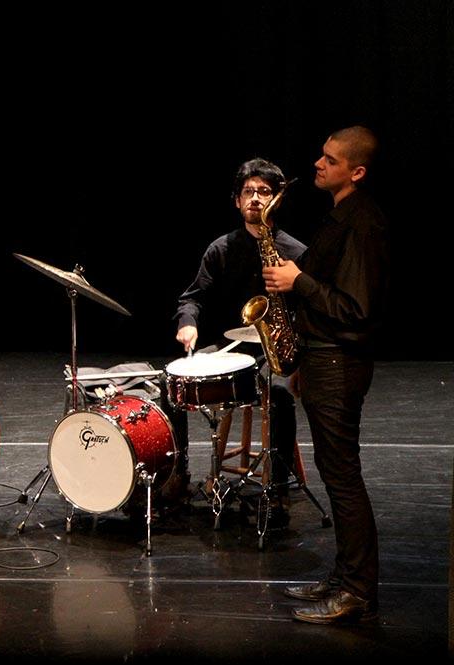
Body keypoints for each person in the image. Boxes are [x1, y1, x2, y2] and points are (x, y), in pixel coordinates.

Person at [264, 126, 388, 624]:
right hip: (322, 360)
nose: (319, 163)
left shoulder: (363, 224)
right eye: (322, 155)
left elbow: (355, 309)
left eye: (331, 160)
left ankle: (357, 590)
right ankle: (343, 577)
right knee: (336, 475)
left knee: (343, 478)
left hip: (339, 362)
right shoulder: (338, 217)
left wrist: (299, 281)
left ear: (356, 172)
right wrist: (301, 360)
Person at [173, 158, 306, 521]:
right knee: (173, 385)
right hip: (231, 347)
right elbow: (192, 298)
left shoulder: (296, 252)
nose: (255, 198)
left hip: (275, 349)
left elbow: (311, 310)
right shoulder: (221, 249)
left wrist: (299, 357)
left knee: (279, 397)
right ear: (237, 200)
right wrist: (188, 324)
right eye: (248, 192)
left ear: (276, 199)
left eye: (264, 191)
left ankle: (277, 489)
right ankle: (176, 476)